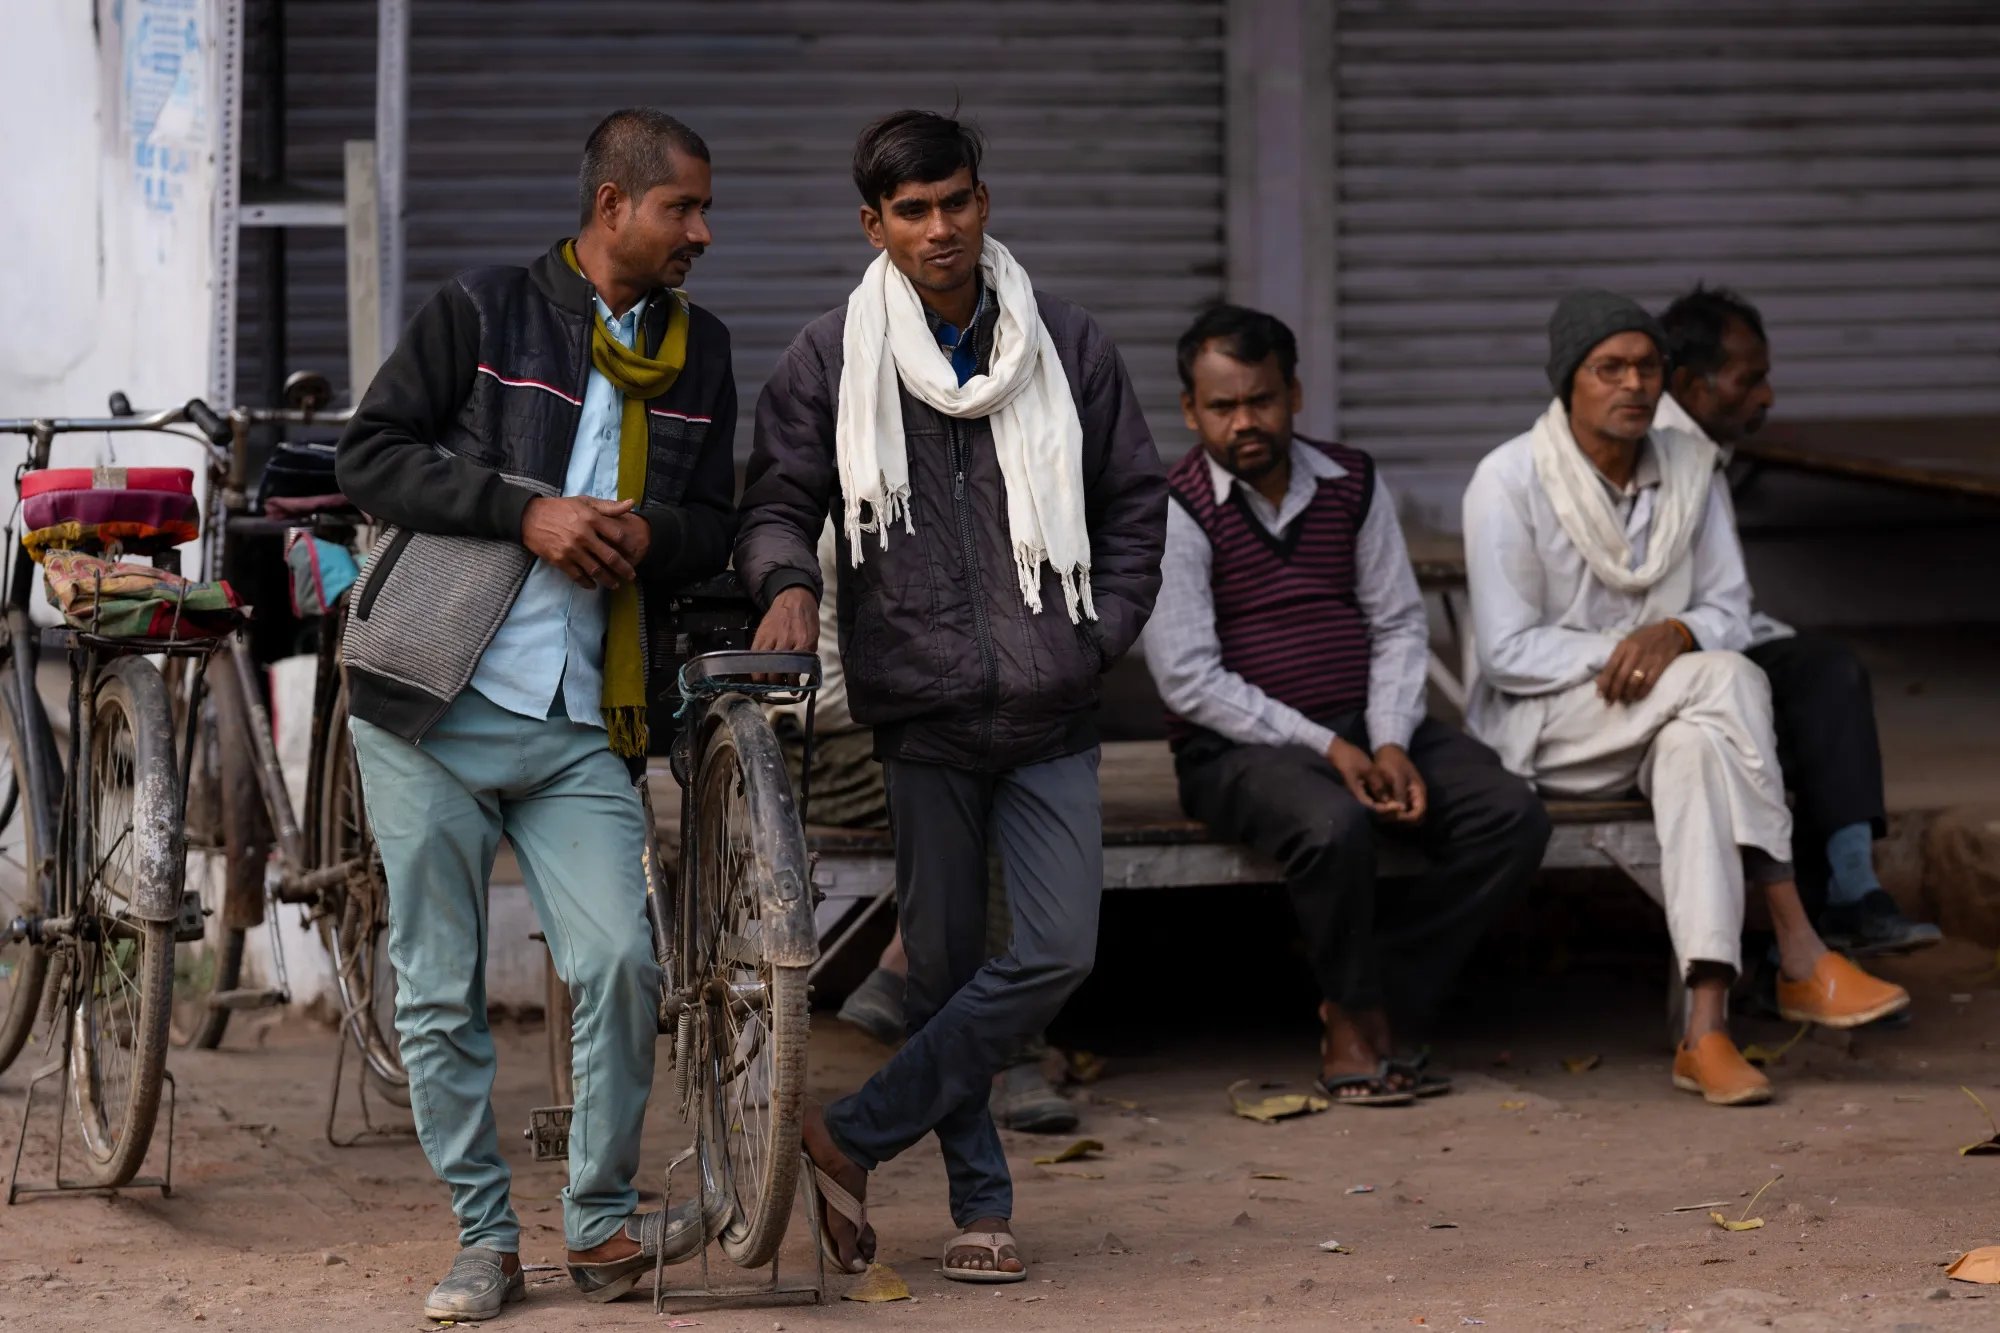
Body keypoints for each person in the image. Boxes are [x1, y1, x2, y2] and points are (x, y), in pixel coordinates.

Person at [735, 109, 1166, 1283]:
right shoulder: (831, 356)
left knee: (1055, 950)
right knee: (940, 969)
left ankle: (849, 1130)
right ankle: (981, 1207)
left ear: (984, 203)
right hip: (920, 709)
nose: (941, 228)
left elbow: (1135, 501)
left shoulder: (1062, 340)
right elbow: (777, 495)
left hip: (1052, 704)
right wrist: (786, 586)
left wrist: (1096, 636)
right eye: (913, 211)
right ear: (872, 224)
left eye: (957, 202)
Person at [336, 109, 737, 1316]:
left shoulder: (701, 349)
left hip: (582, 718)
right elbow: (370, 455)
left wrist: (640, 532)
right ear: (613, 206)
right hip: (430, 705)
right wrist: (528, 510)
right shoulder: (481, 310)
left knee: (620, 963)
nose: (701, 234)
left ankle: (601, 1225)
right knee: (440, 984)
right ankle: (484, 1237)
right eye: (683, 209)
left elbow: (710, 525)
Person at [1460, 288, 1910, 1108]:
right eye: (1610, 368)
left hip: (1674, 715)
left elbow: (1728, 609)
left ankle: (1704, 1029)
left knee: (1702, 742)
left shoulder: (1692, 467)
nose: (1632, 383)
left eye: (1647, 366)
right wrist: (1643, 648)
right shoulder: (1508, 479)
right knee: (1732, 678)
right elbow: (1508, 651)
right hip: (1550, 723)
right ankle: (1799, 943)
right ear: (1570, 380)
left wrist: (1676, 634)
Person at [1148, 305, 1550, 1106]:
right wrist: (1329, 749)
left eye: (1260, 399)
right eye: (1222, 407)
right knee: (1334, 826)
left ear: (1294, 393)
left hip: (1369, 722)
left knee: (1511, 814)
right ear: (1192, 412)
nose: (1245, 422)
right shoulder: (1172, 506)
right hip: (1235, 750)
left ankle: (1378, 992)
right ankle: (1357, 1013)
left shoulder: (1353, 481)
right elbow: (1189, 678)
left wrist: (1392, 738)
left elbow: (1399, 621)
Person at [1657, 286, 1938, 956]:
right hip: (1669, 665)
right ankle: (1825, 908)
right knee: (1812, 681)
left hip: (1709, 640)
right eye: (1749, 380)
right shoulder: (1663, 450)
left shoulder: (1701, 449)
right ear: (1694, 385)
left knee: (1821, 671)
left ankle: (1846, 891)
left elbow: (1726, 601)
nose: (1767, 398)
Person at [774, 523, 1079, 1133]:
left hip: (919, 725)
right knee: (988, 791)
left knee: (991, 777)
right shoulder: (867, 505)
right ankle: (1008, 1051)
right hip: (827, 739)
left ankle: (903, 969)